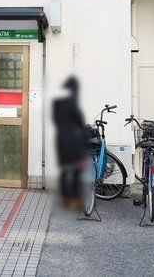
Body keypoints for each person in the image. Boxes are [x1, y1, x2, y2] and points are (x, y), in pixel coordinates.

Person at [52, 76, 87, 210]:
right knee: (77, 170)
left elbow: (55, 120)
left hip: (60, 139)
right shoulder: (72, 103)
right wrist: (85, 137)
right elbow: (80, 122)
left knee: (64, 170)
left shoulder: (56, 103)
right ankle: (76, 199)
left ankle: (65, 199)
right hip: (73, 140)